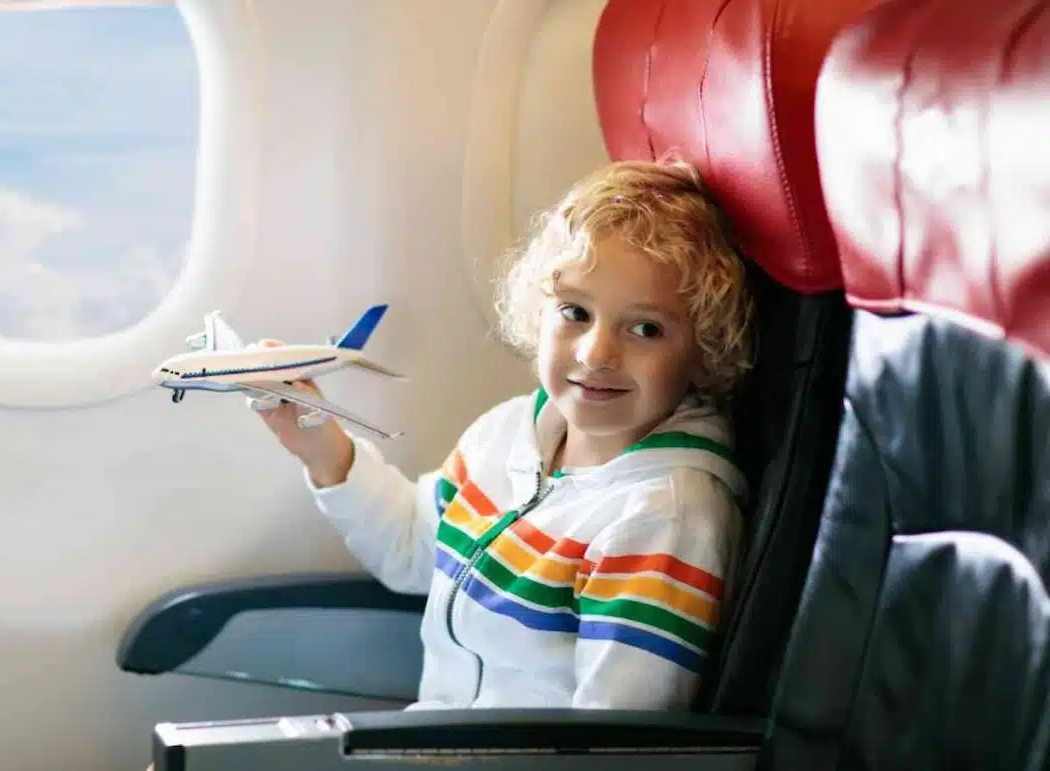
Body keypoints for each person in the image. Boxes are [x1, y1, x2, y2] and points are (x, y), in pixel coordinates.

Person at [254, 158, 755, 711]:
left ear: (704, 347)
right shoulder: (507, 434)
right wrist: (317, 440)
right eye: (575, 312)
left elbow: (617, 742)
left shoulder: (664, 516)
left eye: (645, 329)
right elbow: (412, 552)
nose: (596, 354)